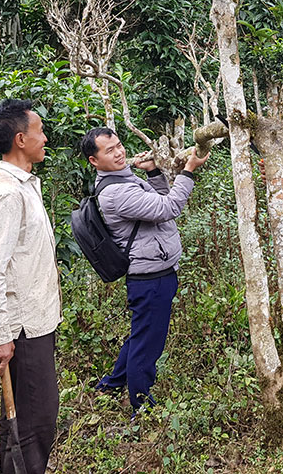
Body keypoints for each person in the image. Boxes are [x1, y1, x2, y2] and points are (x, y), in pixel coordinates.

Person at [82, 126, 208, 416]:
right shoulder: (115, 193)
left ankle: (110, 384)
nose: (119, 152)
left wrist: (152, 172)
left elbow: (158, 198)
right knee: (148, 346)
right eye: (109, 150)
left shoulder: (127, 179)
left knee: (141, 334)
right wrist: (189, 170)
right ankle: (142, 407)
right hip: (151, 278)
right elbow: (169, 207)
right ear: (94, 160)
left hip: (156, 271)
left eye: (119, 145)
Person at [0, 99, 61, 474]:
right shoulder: (7, 193)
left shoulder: (24, 186)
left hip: (37, 321)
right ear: (21, 139)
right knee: (35, 425)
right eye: (40, 131)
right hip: (22, 328)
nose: (46, 138)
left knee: (22, 423)